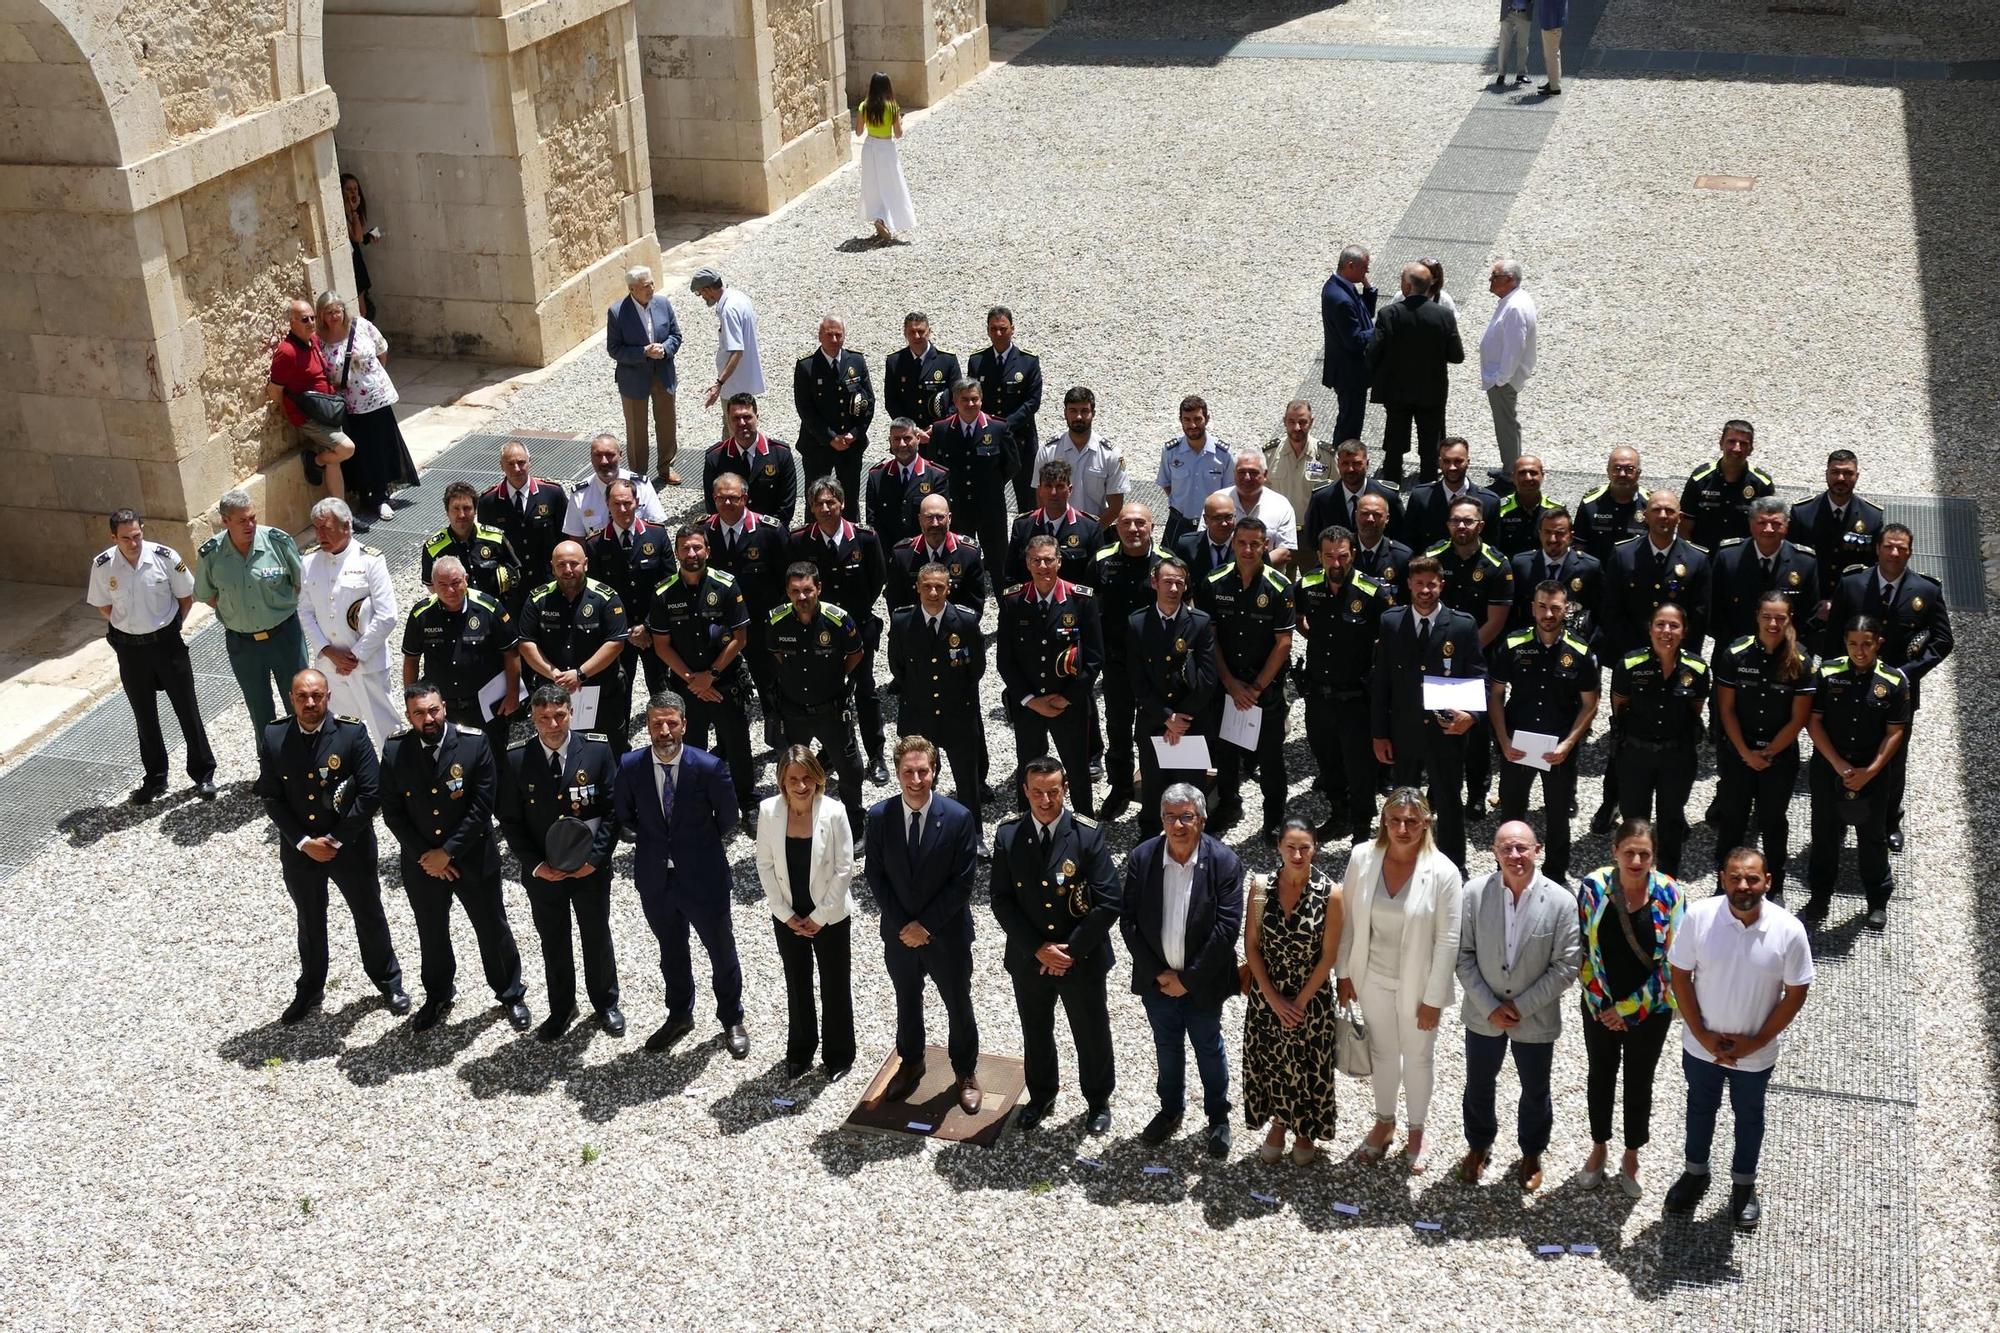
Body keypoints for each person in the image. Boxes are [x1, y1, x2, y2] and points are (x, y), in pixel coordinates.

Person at [1665, 847, 1813, 1231]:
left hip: (1755, 1054)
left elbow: (1796, 992)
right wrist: (1701, 1033)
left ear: (1768, 881)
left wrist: (1755, 1042)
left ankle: (1744, 1185)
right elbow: (1680, 974)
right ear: (1722, 879)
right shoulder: (1699, 917)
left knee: (1749, 1118)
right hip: (1701, 1047)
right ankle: (1695, 1173)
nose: (1743, 885)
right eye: (1735, 877)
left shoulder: (1789, 930)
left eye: (1752, 878)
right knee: (1700, 1109)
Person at [254, 669, 407, 1025]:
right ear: (291, 699)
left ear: (328, 697)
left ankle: (388, 981)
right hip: (302, 852)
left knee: (368, 912)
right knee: (309, 920)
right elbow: (272, 798)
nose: (310, 703)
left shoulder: (352, 734)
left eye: (317, 696)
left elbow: (371, 794)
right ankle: (311, 987)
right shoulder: (275, 736)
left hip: (349, 847)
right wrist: (304, 842)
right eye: (303, 697)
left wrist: (336, 839)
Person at [378, 681, 529, 1033]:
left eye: (433, 710)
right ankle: (438, 994)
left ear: (443, 706)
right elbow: (393, 812)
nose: (428, 718)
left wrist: (447, 852)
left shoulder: (474, 743)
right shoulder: (395, 750)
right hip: (423, 864)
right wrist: (426, 856)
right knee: (431, 931)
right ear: (409, 715)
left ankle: (510, 992)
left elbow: (481, 807)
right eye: (419, 713)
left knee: (492, 927)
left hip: (472, 855)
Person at [1336, 788, 1463, 1173]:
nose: (1403, 828)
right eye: (1395, 821)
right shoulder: (1362, 858)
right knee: (1383, 1053)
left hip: (1418, 984)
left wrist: (1434, 997)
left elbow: (1448, 939)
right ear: (1383, 823)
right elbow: (1349, 920)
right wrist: (1343, 972)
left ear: (1426, 822)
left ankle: (1417, 1131)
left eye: (1411, 821)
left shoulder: (1443, 872)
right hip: (1370, 975)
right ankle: (1384, 1122)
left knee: (1419, 1057)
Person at [990, 758, 1120, 1133]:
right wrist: (1037, 948)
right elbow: (1001, 900)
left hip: (1081, 958)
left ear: (1064, 789)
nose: (1046, 800)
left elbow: (1109, 900)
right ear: (1025, 791)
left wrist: (1069, 952)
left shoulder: (1086, 834)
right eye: (1038, 792)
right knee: (1036, 1029)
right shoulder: (1009, 836)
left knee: (1091, 1031)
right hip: (1030, 959)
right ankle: (1042, 1095)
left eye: (1053, 791)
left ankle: (1097, 1101)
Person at [614, 692, 747, 1057]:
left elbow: (729, 819)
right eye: (657, 723)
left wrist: (693, 848)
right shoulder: (630, 766)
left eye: (671, 722)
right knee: (671, 951)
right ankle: (679, 1014)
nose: (665, 730)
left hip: (703, 878)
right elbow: (625, 816)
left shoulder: (708, 767)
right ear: (648, 726)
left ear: (684, 724)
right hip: (656, 881)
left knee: (721, 952)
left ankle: (732, 1018)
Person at [1453, 820, 1580, 1189]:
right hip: (1483, 1013)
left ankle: (1531, 1152)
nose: (1515, 855)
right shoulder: (1473, 894)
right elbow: (1463, 955)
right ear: (1494, 852)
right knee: (1478, 1083)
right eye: (1506, 848)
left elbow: (1567, 966)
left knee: (1535, 1088)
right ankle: (1478, 1146)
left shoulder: (1560, 901)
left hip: (1535, 1017)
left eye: (1522, 847)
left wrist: (1521, 1006)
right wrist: (1489, 1005)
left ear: (1537, 850)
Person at [1122, 783, 1244, 1157]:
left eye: (1186, 816)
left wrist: (1187, 979)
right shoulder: (1143, 858)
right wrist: (1160, 974)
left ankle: (1218, 1118)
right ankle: (1170, 1110)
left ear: (1202, 819)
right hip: (1157, 982)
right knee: (1166, 1046)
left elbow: (1227, 929)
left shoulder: (1224, 862)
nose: (1178, 825)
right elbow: (1129, 923)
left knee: (1208, 1046)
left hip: (1202, 984)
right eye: (1171, 817)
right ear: (1161, 820)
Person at [494, 684, 622, 1041]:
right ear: (533, 719)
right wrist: (535, 866)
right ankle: (562, 1008)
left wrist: (595, 860)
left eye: (559, 715)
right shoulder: (517, 758)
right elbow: (510, 820)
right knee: (553, 940)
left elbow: (613, 812)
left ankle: (605, 1003)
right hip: (544, 873)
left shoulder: (596, 750)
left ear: (571, 713)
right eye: (543, 718)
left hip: (589, 870)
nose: (552, 724)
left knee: (596, 935)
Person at [864, 736, 984, 1114]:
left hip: (945, 934)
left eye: (923, 771)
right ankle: (911, 1060)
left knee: (957, 1003)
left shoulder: (959, 818)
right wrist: (904, 926)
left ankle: (965, 1072)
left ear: (934, 771)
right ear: (897, 774)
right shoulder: (879, 817)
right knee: (906, 1000)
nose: (916, 780)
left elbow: (963, 882)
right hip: (899, 935)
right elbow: (876, 875)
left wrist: (925, 926)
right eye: (907, 772)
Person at [1576, 818, 1685, 1199]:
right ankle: (1599, 1146)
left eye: (1644, 854)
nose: (1636, 860)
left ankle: (1632, 1153)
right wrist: (1603, 1005)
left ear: (1654, 856)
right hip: (1599, 1005)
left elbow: (1673, 963)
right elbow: (1583, 951)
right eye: (1629, 852)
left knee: (1639, 1081)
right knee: (1600, 1076)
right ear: (1614, 853)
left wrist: (1628, 1010)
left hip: (1649, 1011)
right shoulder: (1593, 887)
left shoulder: (1670, 894)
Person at [1828, 524, 1949, 851]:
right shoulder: (1852, 585)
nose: (1895, 553)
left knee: (1893, 760)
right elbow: (1831, 637)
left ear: (1910, 552)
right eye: (1889, 547)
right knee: (1842, 751)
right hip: (1848, 686)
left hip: (1899, 692)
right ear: (1877, 548)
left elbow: (1942, 641)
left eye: (1902, 548)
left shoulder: (1927, 591)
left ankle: (1888, 820)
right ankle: (1839, 819)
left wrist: (1906, 674)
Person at [87, 508, 218, 804]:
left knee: (187, 710)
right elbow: (104, 606)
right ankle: (155, 778)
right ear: (113, 537)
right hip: (131, 650)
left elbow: (186, 597)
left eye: (137, 535)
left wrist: (171, 629)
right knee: (144, 716)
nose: (134, 543)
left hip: (167, 645)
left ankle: (203, 774)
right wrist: (131, 628)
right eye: (126, 538)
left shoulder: (165, 557)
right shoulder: (103, 565)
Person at [1371, 555, 1485, 872]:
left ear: (1441, 585)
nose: (1425, 590)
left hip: (1445, 734)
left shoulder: (1462, 625)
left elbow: (1479, 678)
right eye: (1419, 583)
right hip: (1404, 732)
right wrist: (1380, 733)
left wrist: (1472, 717)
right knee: (1402, 804)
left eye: (1431, 584)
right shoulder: (1391, 622)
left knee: (1448, 802)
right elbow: (1382, 682)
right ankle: (1402, 862)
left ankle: (1452, 867)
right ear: (1408, 584)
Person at [1243, 819, 1344, 1165]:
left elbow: (1329, 955)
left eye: (1305, 847)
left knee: (1306, 1062)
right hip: (1267, 993)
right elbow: (1252, 946)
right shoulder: (1259, 887)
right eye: (1291, 847)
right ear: (1278, 848)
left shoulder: (1331, 893)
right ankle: (1279, 1122)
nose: (1298, 854)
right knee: (1272, 1061)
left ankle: (1303, 1128)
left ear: (1315, 848)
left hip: (1309, 996)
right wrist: (1273, 998)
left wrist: (1297, 1004)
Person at [755, 746, 858, 1080]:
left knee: (835, 983)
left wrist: (820, 916)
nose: (802, 786)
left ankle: (839, 1055)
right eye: (794, 779)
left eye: (807, 778)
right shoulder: (769, 811)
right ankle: (800, 1050)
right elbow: (765, 865)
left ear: (818, 778)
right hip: (788, 914)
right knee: (797, 983)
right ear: (782, 782)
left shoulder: (834, 811)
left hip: (829, 915)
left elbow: (845, 868)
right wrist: (784, 913)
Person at [1489, 580, 1599, 883]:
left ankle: (1554, 875)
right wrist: (1503, 739)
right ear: (1533, 608)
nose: (1548, 613)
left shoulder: (1579, 651)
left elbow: (1590, 704)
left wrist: (1568, 744)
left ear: (1566, 609)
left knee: (1558, 815)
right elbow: (1495, 694)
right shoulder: (1513, 645)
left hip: (1558, 749)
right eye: (1542, 606)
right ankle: (1506, 873)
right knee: (1511, 812)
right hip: (1517, 745)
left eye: (1555, 607)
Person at [1804, 616, 1909, 927]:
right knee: (1824, 835)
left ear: (1879, 642)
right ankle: (1820, 895)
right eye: (1853, 644)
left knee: (1872, 838)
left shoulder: (1893, 681)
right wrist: (1838, 763)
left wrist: (1871, 771)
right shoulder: (1827, 673)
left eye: (1866, 644)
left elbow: (1895, 732)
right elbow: (1814, 722)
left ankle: (1877, 899)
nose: (1859, 651)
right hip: (1829, 769)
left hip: (1871, 773)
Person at [1711, 591, 1814, 900]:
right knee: (1733, 820)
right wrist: (1745, 753)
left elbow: (1799, 718)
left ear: (1789, 619)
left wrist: (1767, 753)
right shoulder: (1735, 654)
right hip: (1737, 755)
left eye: (1780, 618)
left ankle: (1776, 884)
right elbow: (1725, 709)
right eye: (1767, 616)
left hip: (1778, 758)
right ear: (1756, 616)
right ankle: (1724, 882)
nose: (1773, 623)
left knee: (1773, 821)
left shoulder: (1802, 660)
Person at [1196, 518, 1294, 841]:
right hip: (1227, 687)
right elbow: (1210, 639)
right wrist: (1230, 684)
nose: (1248, 550)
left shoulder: (1279, 587)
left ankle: (1274, 817)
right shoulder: (1213, 582)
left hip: (1263, 691)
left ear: (1265, 545)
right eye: (1242, 543)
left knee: (1270, 757)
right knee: (1225, 753)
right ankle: (1228, 804)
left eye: (1255, 544)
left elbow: (1283, 645)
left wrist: (1254, 689)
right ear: (1234, 544)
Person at [648, 526, 756, 817]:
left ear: (708, 550)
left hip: (724, 681)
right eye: (685, 548)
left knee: (737, 745)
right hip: (686, 687)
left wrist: (711, 675)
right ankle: (697, 801)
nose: (691, 554)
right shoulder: (663, 593)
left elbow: (740, 638)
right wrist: (693, 681)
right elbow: (661, 646)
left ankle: (747, 801)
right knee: (691, 748)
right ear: (676, 553)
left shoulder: (726, 585)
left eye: (697, 547)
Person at [1296, 525, 1391, 843]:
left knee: (1360, 766)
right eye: (1328, 557)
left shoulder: (1372, 592)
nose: (1335, 564)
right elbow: (1298, 621)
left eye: (1342, 556)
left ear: (1352, 554)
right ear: (1319, 556)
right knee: (1326, 760)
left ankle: (1362, 826)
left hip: (1355, 697)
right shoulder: (1307, 585)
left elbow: (1386, 636)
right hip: (1319, 694)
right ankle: (1339, 813)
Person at [887, 561, 988, 852]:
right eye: (927, 586)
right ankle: (922, 831)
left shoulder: (966, 621)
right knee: (920, 777)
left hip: (957, 712)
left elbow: (976, 669)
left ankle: (974, 835)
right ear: (917, 588)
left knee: (966, 780)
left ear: (949, 588)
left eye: (939, 587)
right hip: (918, 714)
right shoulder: (903, 621)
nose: (933, 592)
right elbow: (898, 667)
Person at [792, 478, 889, 783]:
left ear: (842, 504)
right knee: (823, 693)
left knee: (865, 692)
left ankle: (875, 755)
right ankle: (830, 752)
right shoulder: (799, 541)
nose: (825, 508)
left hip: (857, 630)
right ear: (810, 508)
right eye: (818, 503)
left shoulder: (866, 538)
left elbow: (877, 580)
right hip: (815, 632)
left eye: (830, 502)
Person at [998, 534, 1103, 814]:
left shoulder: (1081, 599)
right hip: (1029, 706)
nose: (1043, 566)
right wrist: (1031, 699)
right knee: (1028, 769)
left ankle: (1084, 824)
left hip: (1069, 704)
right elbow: (1005, 661)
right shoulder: (1013, 601)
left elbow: (1093, 658)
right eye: (1036, 560)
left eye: (1048, 559)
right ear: (1028, 564)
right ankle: (1027, 826)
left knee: (1077, 770)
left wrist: (1067, 697)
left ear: (1059, 561)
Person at [1430, 496, 1514, 819]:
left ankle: (1477, 792)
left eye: (1468, 521)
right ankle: (1438, 787)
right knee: (1438, 725)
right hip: (1438, 660)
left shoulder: (1496, 564)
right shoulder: (1434, 557)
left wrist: (1463, 652)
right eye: (1455, 520)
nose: (1461, 527)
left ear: (1481, 525)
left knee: (1476, 732)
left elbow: (1496, 620)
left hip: (1479, 661)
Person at [768, 561, 867, 835]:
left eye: (808, 590)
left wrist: (833, 676)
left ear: (818, 589)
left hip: (830, 710)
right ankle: (801, 820)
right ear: (788, 593)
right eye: (795, 591)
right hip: (793, 710)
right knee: (793, 769)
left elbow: (856, 654)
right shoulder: (777, 621)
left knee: (848, 770)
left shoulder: (838, 620)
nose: (802, 597)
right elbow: (776, 653)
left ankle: (855, 824)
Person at [196, 489, 306, 733]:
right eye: (242, 520)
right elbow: (208, 595)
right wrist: (237, 614)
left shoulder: (278, 542)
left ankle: (307, 760)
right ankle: (270, 765)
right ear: (225, 522)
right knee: (259, 709)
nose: (250, 524)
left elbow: (299, 583)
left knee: (300, 702)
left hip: (285, 637)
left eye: (253, 517)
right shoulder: (211, 554)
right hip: (243, 644)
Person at [1611, 604, 1708, 877]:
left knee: (1672, 819)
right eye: (1660, 625)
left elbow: (1696, 708)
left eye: (1674, 626)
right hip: (1635, 755)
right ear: (1650, 629)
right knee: (1634, 821)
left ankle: (1668, 878)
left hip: (1677, 756)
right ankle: (1631, 877)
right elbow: (1619, 706)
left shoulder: (1697, 668)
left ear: (1684, 631)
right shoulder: (1629, 665)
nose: (1667, 631)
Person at [298, 497, 402, 747]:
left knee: (385, 729)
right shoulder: (309, 562)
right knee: (341, 732)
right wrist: (328, 651)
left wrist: (355, 655)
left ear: (346, 526)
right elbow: (305, 611)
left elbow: (387, 615)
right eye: (317, 528)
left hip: (366, 663)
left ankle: (397, 780)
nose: (320, 534)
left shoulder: (370, 561)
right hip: (330, 667)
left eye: (327, 528)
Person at [1129, 557, 1217, 841]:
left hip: (1190, 723)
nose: (1173, 588)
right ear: (1155, 582)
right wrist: (1167, 717)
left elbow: (1206, 679)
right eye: (1167, 581)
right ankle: (1151, 838)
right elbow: (1137, 681)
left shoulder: (1199, 622)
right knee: (1153, 784)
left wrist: (1181, 719)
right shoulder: (1137, 623)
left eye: (1179, 582)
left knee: (1190, 788)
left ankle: (1192, 837)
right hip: (1154, 721)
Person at [400, 555, 521, 759]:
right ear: (433, 586)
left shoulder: (489, 608)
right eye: (443, 585)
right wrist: (412, 704)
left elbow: (511, 653)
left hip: (485, 707)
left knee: (493, 761)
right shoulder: (421, 614)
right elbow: (411, 660)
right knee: (445, 761)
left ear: (466, 579)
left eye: (456, 583)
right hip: (440, 709)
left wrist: (512, 695)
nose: (450, 591)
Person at [702, 472, 792, 746]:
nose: (727, 503)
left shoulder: (770, 532)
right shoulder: (705, 531)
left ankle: (778, 739)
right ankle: (727, 743)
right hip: (721, 626)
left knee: (771, 685)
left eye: (734, 498)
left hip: (761, 624)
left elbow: (785, 580)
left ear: (746, 498)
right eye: (721, 498)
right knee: (724, 685)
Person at [516, 540, 630, 749]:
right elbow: (526, 643)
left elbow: (615, 643)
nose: (568, 570)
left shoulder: (606, 597)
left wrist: (580, 674)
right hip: (554, 696)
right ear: (552, 566)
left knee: (609, 748)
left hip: (600, 693)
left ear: (586, 563)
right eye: (561, 565)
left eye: (573, 564)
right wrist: (555, 675)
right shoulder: (537, 599)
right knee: (559, 748)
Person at [583, 478, 673, 736]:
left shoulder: (656, 535)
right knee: (620, 686)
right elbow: (598, 596)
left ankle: (665, 733)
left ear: (637, 502)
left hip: (654, 629)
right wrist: (627, 632)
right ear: (607, 505)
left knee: (661, 686)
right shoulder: (596, 544)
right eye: (617, 504)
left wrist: (645, 626)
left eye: (627, 503)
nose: (623, 509)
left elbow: (666, 586)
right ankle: (620, 741)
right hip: (617, 634)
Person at [317, 291, 417, 523]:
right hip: (350, 405)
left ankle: (382, 495)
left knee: (381, 446)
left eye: (337, 310)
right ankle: (365, 495)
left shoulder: (361, 325)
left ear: (344, 310)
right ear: (322, 315)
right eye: (328, 312)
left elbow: (382, 352)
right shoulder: (320, 340)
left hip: (375, 398)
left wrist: (371, 380)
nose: (334, 316)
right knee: (361, 451)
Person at [1091, 504, 1165, 813]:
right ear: (1116, 528)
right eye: (1126, 524)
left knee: (1156, 729)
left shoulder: (1168, 564)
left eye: (1140, 523)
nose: (1133, 529)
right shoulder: (1101, 561)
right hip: (1117, 661)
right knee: (1118, 728)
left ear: (1152, 527)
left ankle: (1161, 790)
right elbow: (1090, 610)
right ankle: (1120, 787)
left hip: (1157, 666)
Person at [1367, 262, 1465, 482]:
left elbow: (1373, 351)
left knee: (1394, 440)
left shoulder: (1389, 314)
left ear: (1407, 285)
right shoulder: (1443, 315)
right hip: (1432, 390)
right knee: (1430, 444)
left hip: (1397, 390)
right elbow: (1457, 356)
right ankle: (1428, 485)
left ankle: (1391, 483)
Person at [265, 298, 355, 500]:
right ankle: (315, 461)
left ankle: (339, 511)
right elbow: (275, 390)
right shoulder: (287, 352)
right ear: (292, 322)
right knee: (345, 449)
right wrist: (292, 411)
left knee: (334, 460)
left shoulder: (312, 340)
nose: (311, 323)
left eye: (313, 318)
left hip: (327, 410)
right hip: (309, 415)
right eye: (305, 319)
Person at [1707, 497, 1818, 654]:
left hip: (1786, 653)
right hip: (1735, 653)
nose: (1768, 529)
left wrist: (1791, 646)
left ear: (1787, 525)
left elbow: (1809, 614)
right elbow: (1714, 609)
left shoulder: (1804, 562)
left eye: (1776, 523)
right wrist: (1734, 647)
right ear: (1751, 525)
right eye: (1762, 523)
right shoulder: (1729, 557)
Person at [926, 377, 1017, 565]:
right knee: (957, 562)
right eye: (964, 399)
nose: (970, 404)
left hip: (990, 507)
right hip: (957, 508)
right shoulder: (941, 429)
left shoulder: (998, 428)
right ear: (955, 401)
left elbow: (1012, 465)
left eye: (974, 399)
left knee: (998, 561)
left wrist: (993, 484)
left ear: (981, 399)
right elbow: (934, 467)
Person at [606, 265, 682, 484]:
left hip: (663, 374)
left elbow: (676, 335)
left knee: (667, 423)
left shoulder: (663, 304)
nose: (651, 289)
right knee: (636, 429)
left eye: (652, 284)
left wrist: (665, 349)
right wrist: (643, 352)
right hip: (633, 380)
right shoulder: (617, 312)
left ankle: (666, 467)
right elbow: (614, 349)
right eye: (645, 286)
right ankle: (638, 474)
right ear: (632, 289)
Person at [1788, 449, 1884, 622]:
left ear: (1857, 476)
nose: (1841, 478)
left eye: (1847, 473)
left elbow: (1874, 568)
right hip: (1808, 607)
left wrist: (1841, 602)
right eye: (1835, 472)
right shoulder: (1803, 512)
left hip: (1853, 608)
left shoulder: (1872, 517)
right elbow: (1791, 561)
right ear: (1826, 474)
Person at [968, 307, 1044, 512]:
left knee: (1027, 501)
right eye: (994, 329)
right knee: (989, 498)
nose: (999, 334)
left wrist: (1004, 425)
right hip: (988, 440)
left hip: (1021, 440)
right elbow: (973, 399)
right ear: (988, 331)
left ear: (1012, 329)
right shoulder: (977, 361)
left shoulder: (1028, 361)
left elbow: (1032, 401)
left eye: (1003, 328)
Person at [793, 317, 876, 504]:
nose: (834, 339)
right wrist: (830, 437)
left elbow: (868, 401)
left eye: (838, 335)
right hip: (818, 445)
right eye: (829, 334)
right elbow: (805, 409)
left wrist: (855, 433)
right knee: (815, 499)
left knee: (850, 499)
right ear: (820, 336)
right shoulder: (807, 366)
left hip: (850, 445)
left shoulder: (856, 361)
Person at [480, 441, 569, 605]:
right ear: (501, 466)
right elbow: (485, 546)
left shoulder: (552, 493)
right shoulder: (488, 502)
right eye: (510, 464)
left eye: (521, 462)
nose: (517, 469)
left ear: (530, 462)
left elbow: (566, 537)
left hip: (549, 583)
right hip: (512, 589)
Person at [1508, 505, 1604, 646]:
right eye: (1547, 532)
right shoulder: (1521, 564)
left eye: (1560, 533)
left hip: (1575, 648)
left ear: (1571, 536)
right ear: (1539, 533)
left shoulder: (1590, 567)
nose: (1553, 539)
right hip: (1529, 646)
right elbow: (1511, 612)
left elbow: (1602, 614)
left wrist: (1591, 649)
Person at [1035, 386, 1128, 529]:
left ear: (1093, 413)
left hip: (1096, 531)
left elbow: (1116, 507)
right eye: (1073, 411)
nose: (1078, 417)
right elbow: (1041, 496)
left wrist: (1091, 533)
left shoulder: (1111, 454)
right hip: (1056, 532)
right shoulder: (1048, 451)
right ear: (1065, 413)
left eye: (1084, 411)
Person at [704, 394, 800, 527]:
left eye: (747, 417)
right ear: (728, 421)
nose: (742, 423)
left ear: (757, 418)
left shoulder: (780, 454)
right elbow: (713, 506)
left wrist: (762, 535)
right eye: (736, 418)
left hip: (770, 534)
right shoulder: (715, 457)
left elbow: (786, 507)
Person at [1679, 419, 1774, 552]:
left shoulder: (1762, 484)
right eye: (1731, 441)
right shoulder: (1700, 478)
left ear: (1751, 449)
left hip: (1741, 562)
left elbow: (1768, 530)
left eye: (1743, 443)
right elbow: (1684, 526)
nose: (1737, 448)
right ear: (1721, 444)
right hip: (1703, 560)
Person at [886, 493, 987, 616]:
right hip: (914, 629)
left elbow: (974, 607)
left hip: (956, 630)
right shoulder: (903, 554)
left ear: (949, 518)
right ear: (920, 519)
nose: (935, 523)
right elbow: (896, 606)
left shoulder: (968, 553)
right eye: (929, 517)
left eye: (940, 517)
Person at [422, 481, 522, 606]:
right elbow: (430, 584)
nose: (461, 515)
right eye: (456, 509)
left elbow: (515, 571)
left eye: (467, 508)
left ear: (475, 510)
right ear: (447, 512)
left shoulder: (495, 538)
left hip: (494, 611)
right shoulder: (433, 548)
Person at [1479, 260, 1538, 470]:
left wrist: (1502, 378)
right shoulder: (1512, 301)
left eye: (1495, 276)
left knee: (1506, 426)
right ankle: (1510, 466)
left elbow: (1515, 347)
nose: (1490, 281)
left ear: (1510, 279)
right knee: (1507, 425)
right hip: (1501, 378)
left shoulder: (1514, 307)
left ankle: (1512, 473)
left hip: (1503, 380)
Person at [1154, 395, 1235, 547]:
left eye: (1197, 419)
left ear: (1207, 419)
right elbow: (1166, 483)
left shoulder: (1223, 454)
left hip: (1211, 526)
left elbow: (1229, 492)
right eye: (1187, 419)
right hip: (1179, 523)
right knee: (1170, 567)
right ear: (1181, 420)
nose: (1192, 425)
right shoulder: (1170, 451)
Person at [1005, 459, 1099, 587]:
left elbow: (1095, 578)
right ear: (1040, 490)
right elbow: (1011, 575)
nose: (1054, 493)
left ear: (1070, 489)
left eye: (1060, 486)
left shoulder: (1089, 528)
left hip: (1073, 604)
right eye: (1048, 486)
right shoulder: (1023, 526)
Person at [1320, 244, 1378, 446]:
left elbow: (1365, 314)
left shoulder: (1342, 286)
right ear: (1351, 266)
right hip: (1349, 373)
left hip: (1349, 371)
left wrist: (1368, 287)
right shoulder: (1340, 298)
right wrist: (1380, 329)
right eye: (1364, 268)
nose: (1367, 272)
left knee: (1350, 420)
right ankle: (1341, 463)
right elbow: (1354, 341)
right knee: (1349, 424)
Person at [1303, 438, 1406, 551]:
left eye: (1357, 463)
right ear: (1338, 464)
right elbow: (1313, 540)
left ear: (1367, 464)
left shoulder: (1387, 496)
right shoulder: (1322, 498)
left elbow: (1402, 536)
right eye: (1345, 463)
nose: (1350, 469)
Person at [562, 433, 668, 539]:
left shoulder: (641, 486)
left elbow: (657, 529)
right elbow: (576, 538)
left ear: (620, 455)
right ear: (591, 458)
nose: (604, 461)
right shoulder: (580, 494)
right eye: (598, 455)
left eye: (610, 455)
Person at [1401, 435, 1496, 552]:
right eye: (1447, 461)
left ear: (1468, 462)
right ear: (1440, 463)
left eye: (1458, 461)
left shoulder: (1489, 502)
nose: (1452, 467)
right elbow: (1409, 541)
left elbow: (1492, 546)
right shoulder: (1421, 497)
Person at [854, 71, 916, 242]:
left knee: (872, 184)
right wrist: (900, 122)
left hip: (869, 147)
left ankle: (878, 217)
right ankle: (885, 219)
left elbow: (858, 132)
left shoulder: (863, 107)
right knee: (891, 184)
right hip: (886, 148)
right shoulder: (893, 107)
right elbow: (898, 134)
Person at [865, 418, 943, 551]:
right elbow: (873, 521)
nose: (902, 444)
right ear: (890, 441)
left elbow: (941, 522)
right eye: (896, 439)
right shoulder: (877, 476)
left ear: (918, 438)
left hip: (923, 552)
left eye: (907, 438)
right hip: (889, 553)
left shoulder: (936, 476)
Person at [691, 268, 764, 409]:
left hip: (734, 386)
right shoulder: (739, 297)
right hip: (743, 382)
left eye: (700, 293)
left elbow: (737, 351)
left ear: (708, 289)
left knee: (733, 428)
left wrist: (719, 383)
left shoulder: (728, 310)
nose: (702, 297)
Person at [884, 312, 960, 431]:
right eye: (912, 332)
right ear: (905, 334)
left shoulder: (947, 360)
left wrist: (939, 425)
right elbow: (891, 401)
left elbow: (957, 398)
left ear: (929, 332)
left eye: (921, 331)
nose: (917, 336)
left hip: (941, 433)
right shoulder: (894, 362)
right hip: (908, 436)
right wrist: (911, 429)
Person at [1574, 445, 1648, 566]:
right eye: (1617, 468)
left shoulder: (1650, 505)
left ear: (1638, 473)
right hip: (1598, 578)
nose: (1622, 474)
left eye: (1629, 469)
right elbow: (1579, 547)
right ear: (1608, 472)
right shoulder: (1590, 503)